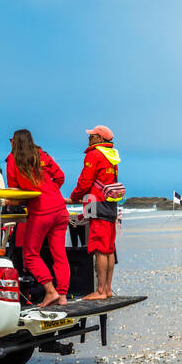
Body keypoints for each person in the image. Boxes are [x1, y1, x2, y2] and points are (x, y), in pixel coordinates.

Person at [7, 128, 71, 307]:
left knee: (30, 254)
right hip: (60, 208)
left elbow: (13, 189)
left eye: (11, 140)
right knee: (59, 254)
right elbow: (60, 177)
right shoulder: (42, 154)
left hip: (41, 211)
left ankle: (51, 291)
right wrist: (49, 191)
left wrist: (16, 200)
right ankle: (63, 296)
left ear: (16, 141)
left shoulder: (13, 158)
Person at [70, 125, 121, 301]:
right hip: (110, 204)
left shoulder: (94, 154)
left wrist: (74, 196)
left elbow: (85, 181)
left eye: (92, 135)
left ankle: (100, 291)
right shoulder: (113, 155)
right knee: (109, 248)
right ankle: (107, 289)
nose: (89, 138)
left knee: (100, 249)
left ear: (99, 138)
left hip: (97, 203)